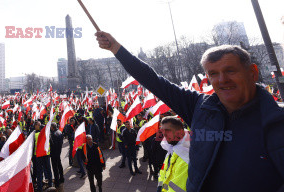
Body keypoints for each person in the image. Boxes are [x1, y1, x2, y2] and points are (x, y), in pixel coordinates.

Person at [96, 32, 284, 191]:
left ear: (252, 72)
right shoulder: (199, 107)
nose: (222, 79)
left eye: (230, 70)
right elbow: (153, 80)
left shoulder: (277, 123)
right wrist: (116, 48)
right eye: (213, 74)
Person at [158, 116, 190, 192]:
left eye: (168, 130)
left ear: (181, 132)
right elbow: (163, 170)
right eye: (162, 130)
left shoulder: (186, 158)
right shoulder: (172, 148)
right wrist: (159, 187)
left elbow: (177, 188)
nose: (164, 134)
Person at [49, 122, 64, 187]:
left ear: (52, 127)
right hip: (58, 152)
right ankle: (62, 178)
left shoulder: (53, 134)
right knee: (59, 166)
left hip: (54, 153)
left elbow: (53, 145)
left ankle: (57, 182)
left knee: (55, 168)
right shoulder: (60, 132)